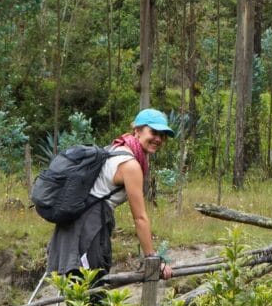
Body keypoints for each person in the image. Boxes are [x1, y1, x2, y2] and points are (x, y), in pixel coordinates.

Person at [45, 108, 175, 292]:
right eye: (153, 132)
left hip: (75, 224)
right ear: (137, 130)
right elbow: (140, 218)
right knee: (92, 293)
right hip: (89, 229)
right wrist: (152, 259)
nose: (159, 139)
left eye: (163, 135)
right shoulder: (130, 165)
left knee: (80, 293)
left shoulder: (115, 148)